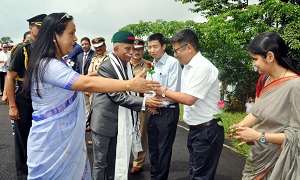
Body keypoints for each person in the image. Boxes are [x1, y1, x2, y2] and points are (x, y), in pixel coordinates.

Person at [22, 13, 160, 179]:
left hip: (65, 139)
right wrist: (130, 85)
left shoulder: (59, 63)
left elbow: (86, 80)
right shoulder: (49, 65)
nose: (76, 38)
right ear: (54, 36)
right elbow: (86, 84)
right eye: (71, 33)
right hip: (53, 143)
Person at [89, 31, 162, 180]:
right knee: (100, 163)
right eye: (127, 49)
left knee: (113, 163)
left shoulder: (126, 65)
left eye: (133, 49)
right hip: (104, 122)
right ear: (116, 49)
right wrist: (144, 102)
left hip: (120, 123)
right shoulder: (107, 67)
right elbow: (116, 95)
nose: (131, 53)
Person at [229, 31, 300, 179]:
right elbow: (256, 113)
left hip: (278, 161)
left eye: (255, 59)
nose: (253, 64)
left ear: (270, 56)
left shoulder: (295, 85)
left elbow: (296, 135)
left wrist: (258, 136)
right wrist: (241, 127)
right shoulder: (264, 80)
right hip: (257, 155)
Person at [156, 28, 224, 179]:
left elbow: (189, 99)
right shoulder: (188, 67)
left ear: (188, 47)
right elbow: (182, 95)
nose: (175, 54)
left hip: (207, 130)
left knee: (201, 176)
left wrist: (164, 91)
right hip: (197, 129)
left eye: (176, 50)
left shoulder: (202, 67)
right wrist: (162, 98)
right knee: (195, 172)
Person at [5, 13, 47, 179]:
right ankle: (23, 174)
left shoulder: (47, 49)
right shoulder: (22, 50)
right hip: (24, 101)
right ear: (31, 28)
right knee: (24, 141)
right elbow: (10, 77)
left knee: (41, 140)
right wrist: (13, 106)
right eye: (38, 27)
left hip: (43, 102)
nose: (42, 31)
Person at [146, 33, 182, 180]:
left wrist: (155, 102)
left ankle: (161, 178)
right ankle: (153, 176)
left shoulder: (173, 63)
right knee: (153, 148)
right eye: (149, 47)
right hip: (152, 111)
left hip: (168, 111)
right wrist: (150, 104)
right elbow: (148, 88)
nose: (152, 50)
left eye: (155, 46)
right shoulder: (151, 64)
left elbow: (174, 90)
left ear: (163, 46)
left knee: (164, 149)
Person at [130, 38, 150, 175]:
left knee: (141, 134)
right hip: (124, 103)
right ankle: (124, 159)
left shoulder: (148, 66)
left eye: (140, 49)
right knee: (124, 132)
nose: (137, 52)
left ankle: (138, 162)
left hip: (141, 103)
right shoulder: (124, 64)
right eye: (135, 49)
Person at [86, 36, 109, 140]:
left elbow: (102, 71)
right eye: (96, 47)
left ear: (105, 46)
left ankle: (100, 138)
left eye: (100, 47)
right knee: (93, 115)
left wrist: (89, 76)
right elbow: (89, 71)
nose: (98, 49)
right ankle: (93, 138)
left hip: (102, 91)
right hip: (92, 90)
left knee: (101, 116)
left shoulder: (108, 57)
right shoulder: (94, 58)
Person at [74, 37, 95, 134]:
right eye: (82, 44)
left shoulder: (94, 55)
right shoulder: (79, 56)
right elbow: (77, 70)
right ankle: (86, 123)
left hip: (91, 84)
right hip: (81, 85)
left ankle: (91, 124)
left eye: (86, 44)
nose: (84, 46)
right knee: (84, 105)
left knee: (92, 105)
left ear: (90, 45)